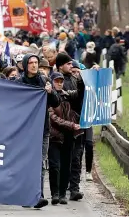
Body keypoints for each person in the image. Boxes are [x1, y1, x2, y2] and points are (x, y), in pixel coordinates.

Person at [17, 54, 60, 209]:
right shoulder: (19, 82)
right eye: (31, 63)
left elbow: (56, 103)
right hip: (24, 130)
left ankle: (38, 195)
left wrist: (51, 92)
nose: (34, 65)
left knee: (40, 163)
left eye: (36, 62)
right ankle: (25, 194)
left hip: (42, 129)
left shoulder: (44, 81)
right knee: (26, 163)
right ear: (25, 65)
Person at [48, 72, 82, 206]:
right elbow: (53, 118)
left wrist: (83, 78)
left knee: (66, 166)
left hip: (68, 136)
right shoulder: (49, 97)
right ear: (52, 82)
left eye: (61, 81)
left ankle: (62, 194)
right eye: (56, 81)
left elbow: (81, 92)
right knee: (55, 166)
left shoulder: (68, 96)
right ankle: (54, 193)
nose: (59, 83)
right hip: (54, 136)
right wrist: (71, 125)